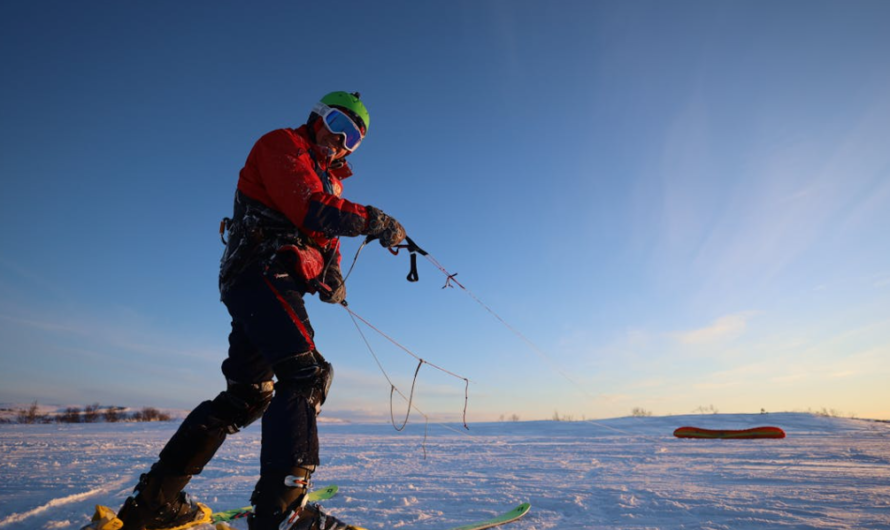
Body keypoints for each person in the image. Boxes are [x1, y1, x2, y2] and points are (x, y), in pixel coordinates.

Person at [115, 92, 406, 530]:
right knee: (307, 375)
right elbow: (308, 207)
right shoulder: (282, 145)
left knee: (248, 396)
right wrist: (373, 219)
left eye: (352, 138)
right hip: (261, 271)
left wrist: (332, 278)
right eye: (336, 123)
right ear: (317, 117)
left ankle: (155, 501)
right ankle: (283, 513)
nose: (339, 139)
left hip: (264, 284)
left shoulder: (334, 182)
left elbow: (325, 243)